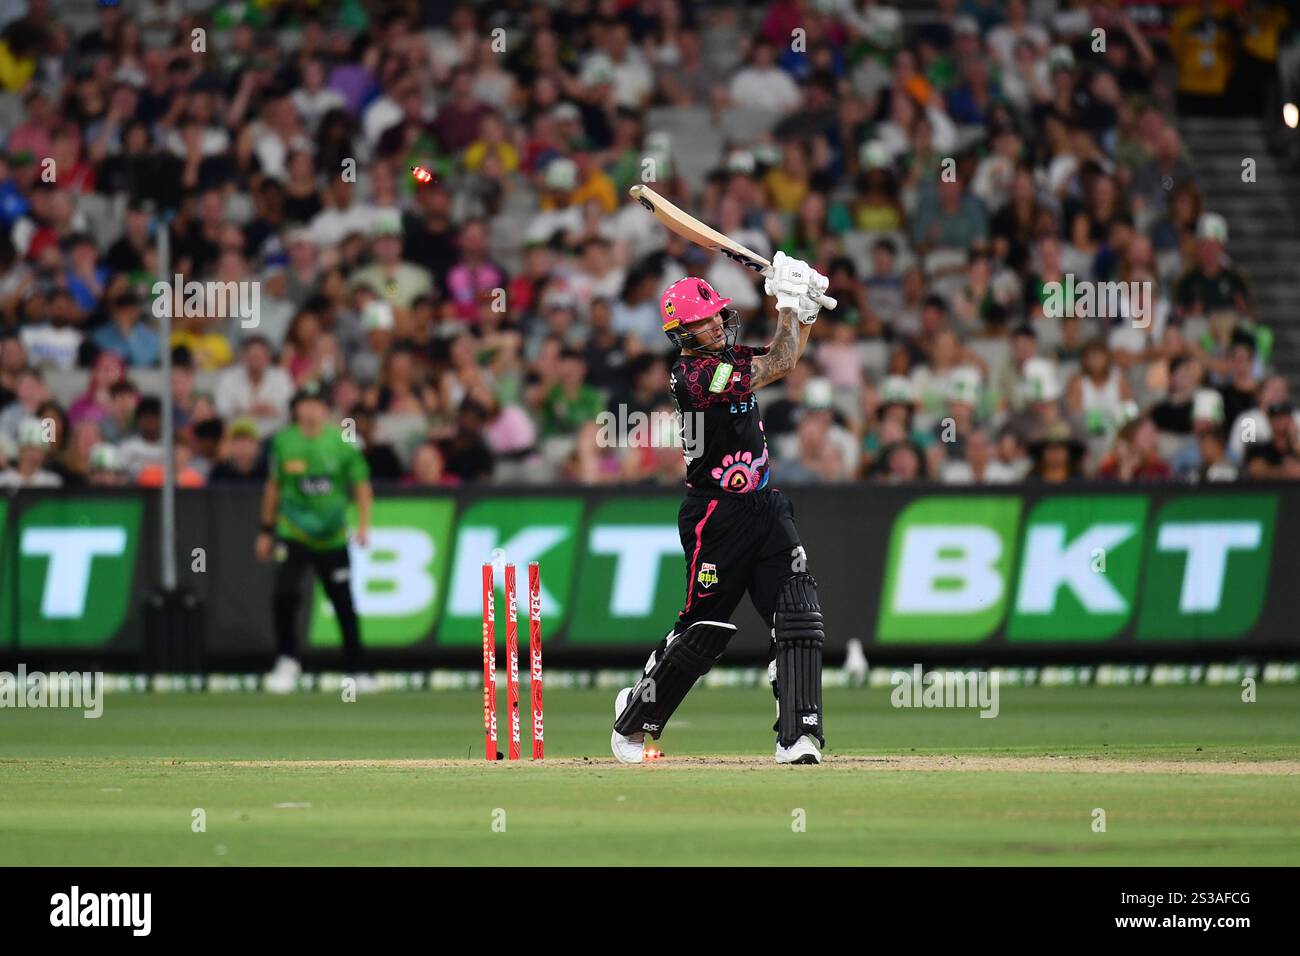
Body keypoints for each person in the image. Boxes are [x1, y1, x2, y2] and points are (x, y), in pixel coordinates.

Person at [611, 252, 830, 766]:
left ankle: (796, 737)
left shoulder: (726, 360)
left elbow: (786, 355)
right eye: (701, 322)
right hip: (716, 515)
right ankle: (633, 722)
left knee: (797, 613)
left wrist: (806, 308)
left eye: (715, 316)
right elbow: (779, 364)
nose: (713, 325)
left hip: (765, 506)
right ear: (681, 334)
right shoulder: (692, 377)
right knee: (702, 632)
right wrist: (787, 304)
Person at [256, 383, 373, 692]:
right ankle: (287, 660)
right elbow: (273, 487)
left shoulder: (343, 442)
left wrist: (364, 525)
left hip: (332, 535)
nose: (310, 410)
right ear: (296, 409)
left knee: (343, 600)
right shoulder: (283, 443)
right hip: (293, 531)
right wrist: (266, 530)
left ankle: (357, 668)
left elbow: (360, 483)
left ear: (325, 408)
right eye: (304, 404)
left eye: (316, 403)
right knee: (284, 594)